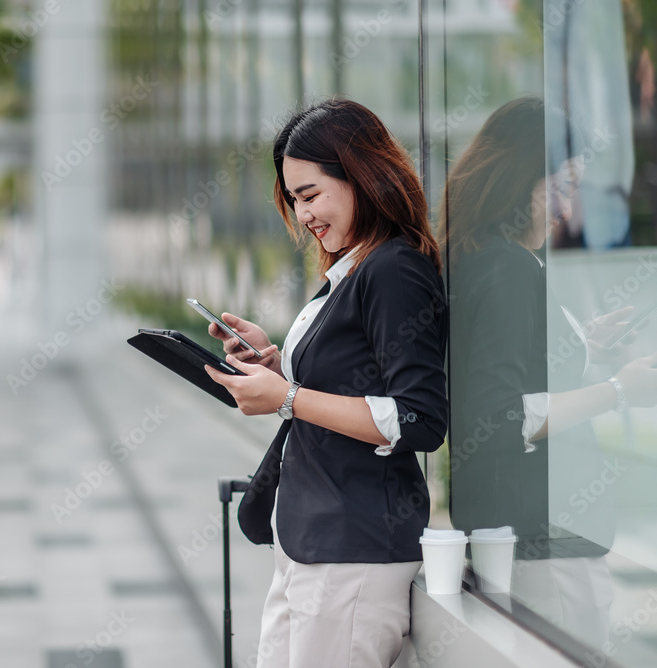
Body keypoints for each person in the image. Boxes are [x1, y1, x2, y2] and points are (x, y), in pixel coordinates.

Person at [204, 98, 448, 668]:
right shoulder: (354, 270)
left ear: (363, 174)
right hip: (312, 545)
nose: (303, 214)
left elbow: (418, 418)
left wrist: (286, 397)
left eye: (311, 195)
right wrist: (276, 368)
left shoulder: (392, 269)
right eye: (293, 200)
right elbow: (345, 388)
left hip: (352, 555)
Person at [441, 96, 657, 647]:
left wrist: (585, 346)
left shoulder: (488, 257)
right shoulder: (507, 269)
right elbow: (503, 415)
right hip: (546, 541)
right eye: (559, 189)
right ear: (518, 181)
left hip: (531, 536)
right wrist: (618, 390)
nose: (566, 210)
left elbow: (511, 374)